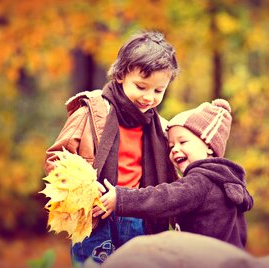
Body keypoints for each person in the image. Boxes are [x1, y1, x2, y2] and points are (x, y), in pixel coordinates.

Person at [43, 31, 179, 264]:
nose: (149, 97)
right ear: (121, 75)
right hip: (95, 217)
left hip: (138, 218)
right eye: (141, 86)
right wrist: (86, 189)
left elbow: (174, 184)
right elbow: (57, 159)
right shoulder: (91, 112)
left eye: (158, 90)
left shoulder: (162, 130)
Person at [94, 99, 254, 249]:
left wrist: (121, 198)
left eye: (183, 142)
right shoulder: (224, 181)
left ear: (209, 146)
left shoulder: (201, 182)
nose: (175, 149)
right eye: (171, 146)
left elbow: (164, 198)